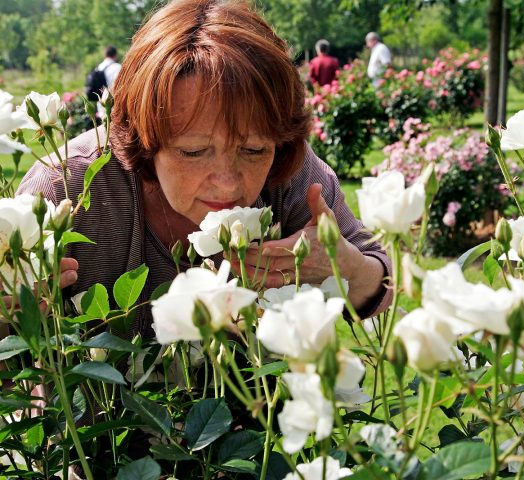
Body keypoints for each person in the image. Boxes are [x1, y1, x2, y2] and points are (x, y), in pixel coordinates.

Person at [18, 0, 392, 337]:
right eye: (193, 151)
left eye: (252, 149)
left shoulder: (291, 174)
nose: (228, 183)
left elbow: (382, 279)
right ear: (144, 139)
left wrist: (349, 268)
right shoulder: (65, 189)